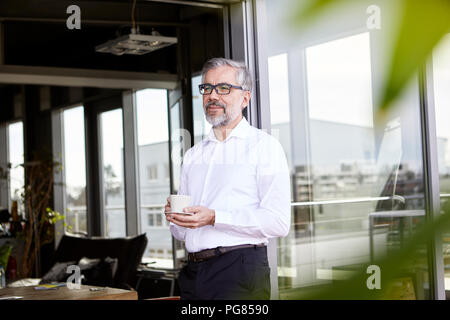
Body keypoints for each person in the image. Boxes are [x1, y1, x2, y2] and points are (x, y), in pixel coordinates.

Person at [165, 57, 290, 300]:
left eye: (223, 88)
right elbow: (182, 233)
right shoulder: (193, 155)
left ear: (245, 98)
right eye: (207, 88)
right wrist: (176, 218)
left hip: (239, 270)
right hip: (194, 272)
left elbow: (278, 222)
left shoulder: (264, 147)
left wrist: (214, 217)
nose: (213, 96)